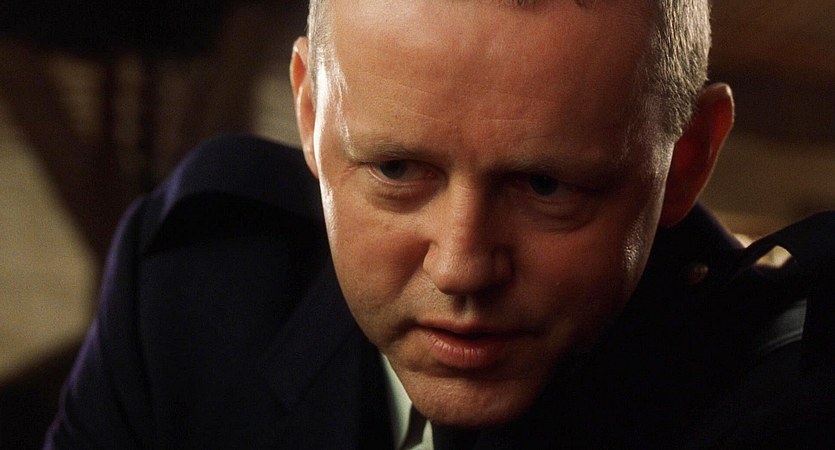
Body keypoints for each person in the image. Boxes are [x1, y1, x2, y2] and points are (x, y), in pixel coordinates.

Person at [46, 0, 835, 448]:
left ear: (687, 159)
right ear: (310, 113)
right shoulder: (191, 285)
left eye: (545, 185)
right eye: (395, 170)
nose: (460, 267)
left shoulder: (781, 408)